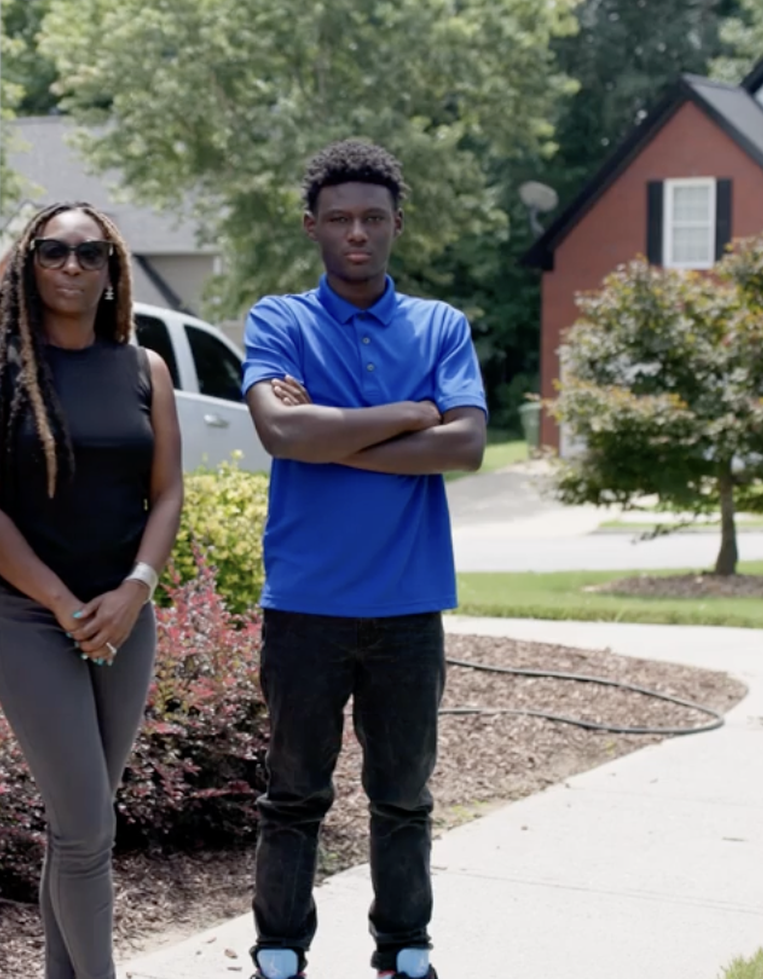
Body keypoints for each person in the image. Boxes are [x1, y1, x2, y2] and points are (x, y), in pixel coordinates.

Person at [239, 140, 488, 979]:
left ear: (396, 226)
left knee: (404, 797)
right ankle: (279, 951)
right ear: (312, 225)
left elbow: (466, 447)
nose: (357, 233)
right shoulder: (280, 319)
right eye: (340, 218)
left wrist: (334, 433)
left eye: (373, 218)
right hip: (305, 604)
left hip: (409, 604)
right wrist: (412, 411)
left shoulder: (440, 325)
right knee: (293, 795)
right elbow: (280, 431)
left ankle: (405, 951)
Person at [0, 201, 184, 979]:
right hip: (31, 619)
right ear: (29, 264)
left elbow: (169, 492)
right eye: (54, 253)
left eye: (90, 254)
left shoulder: (145, 367)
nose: (72, 267)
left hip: (124, 618)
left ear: (113, 267)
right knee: (86, 829)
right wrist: (59, 601)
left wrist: (135, 592)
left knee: (79, 825)